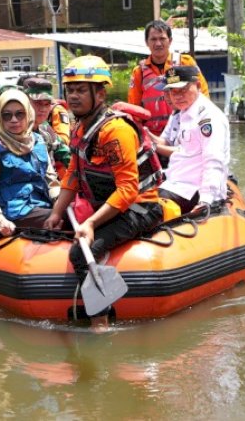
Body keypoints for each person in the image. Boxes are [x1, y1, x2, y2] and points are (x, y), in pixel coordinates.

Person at [43, 55, 164, 330]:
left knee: (80, 253)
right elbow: (73, 174)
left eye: (81, 90)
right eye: (69, 90)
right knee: (56, 229)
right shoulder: (79, 129)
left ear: (100, 92)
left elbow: (128, 189)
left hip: (140, 208)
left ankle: (101, 322)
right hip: (108, 205)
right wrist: (57, 213)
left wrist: (91, 223)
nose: (73, 96)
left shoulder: (116, 131)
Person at [0, 89, 59, 237]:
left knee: (78, 211)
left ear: (28, 114)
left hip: (40, 205)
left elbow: (51, 181)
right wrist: (0, 220)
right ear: (0, 118)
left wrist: (59, 205)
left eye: (20, 114)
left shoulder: (38, 141)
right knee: (66, 219)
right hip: (12, 213)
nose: (14, 120)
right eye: (7, 115)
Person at [147, 65, 230, 214]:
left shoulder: (208, 118)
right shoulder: (184, 112)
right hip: (176, 182)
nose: (177, 96)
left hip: (191, 190)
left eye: (182, 89)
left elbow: (213, 161)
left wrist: (206, 200)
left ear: (197, 86)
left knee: (143, 211)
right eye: (172, 91)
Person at [128, 19, 210, 136]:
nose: (158, 43)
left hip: (185, 131)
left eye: (162, 39)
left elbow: (203, 94)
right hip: (152, 135)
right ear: (147, 42)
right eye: (153, 39)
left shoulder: (185, 62)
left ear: (170, 41)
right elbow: (133, 108)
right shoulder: (139, 72)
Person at [19, 76, 71, 145]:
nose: (43, 109)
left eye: (47, 104)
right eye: (37, 103)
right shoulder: (13, 125)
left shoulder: (45, 129)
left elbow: (64, 143)